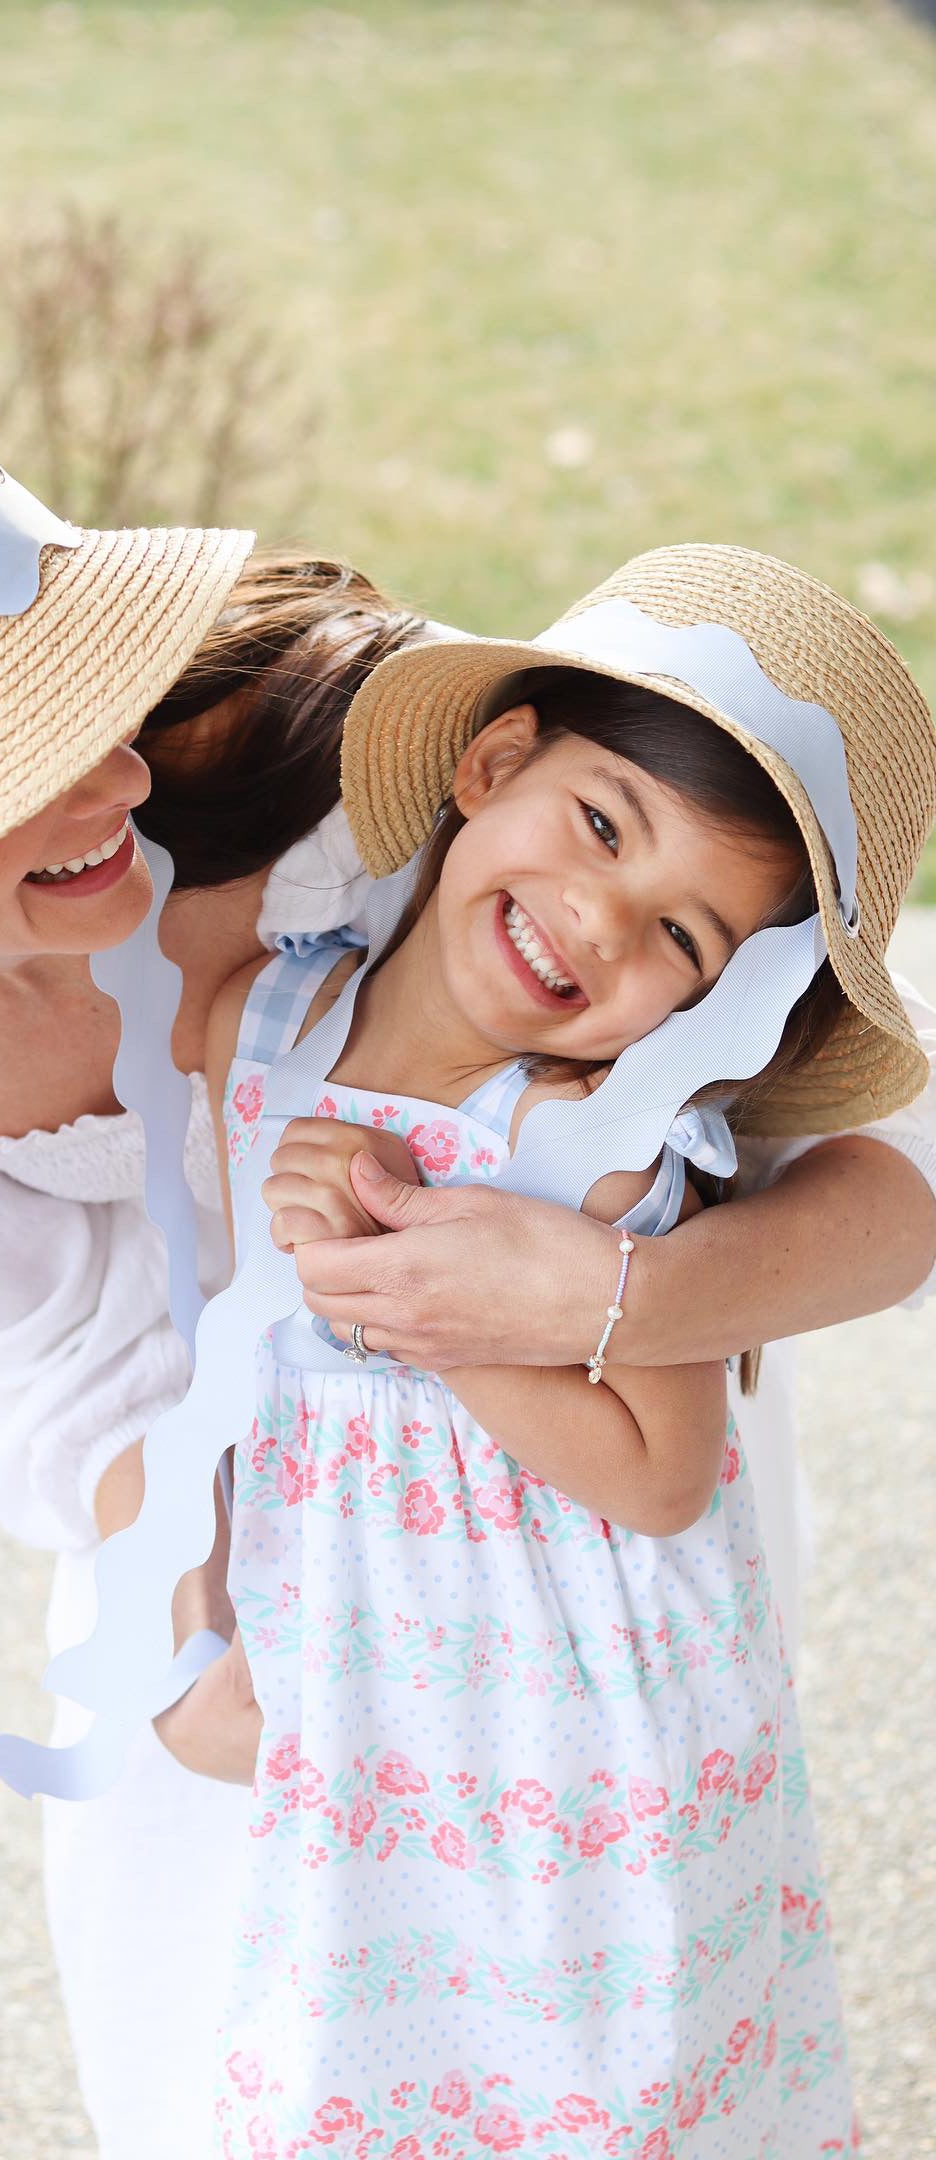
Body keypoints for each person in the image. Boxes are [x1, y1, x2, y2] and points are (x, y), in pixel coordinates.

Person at [0, 354, 936, 2156]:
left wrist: (589, 1298)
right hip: (222, 1476)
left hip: (557, 1497)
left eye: (94, 688)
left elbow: (865, 1170)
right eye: (25, 765)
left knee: (611, 2044)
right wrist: (183, 1607)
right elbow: (70, 1329)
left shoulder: (381, 772)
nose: (120, 772)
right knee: (243, 2043)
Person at [198, 544, 933, 2155]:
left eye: (681, 933)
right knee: (356, 2068)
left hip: (584, 1745)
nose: (595, 920)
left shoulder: (605, 1145)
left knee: (600, 2095)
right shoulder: (256, 1036)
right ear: (493, 759)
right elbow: (213, 1363)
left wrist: (437, 1316)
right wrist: (196, 1622)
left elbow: (664, 1479)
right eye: (599, 824)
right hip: (369, 1723)